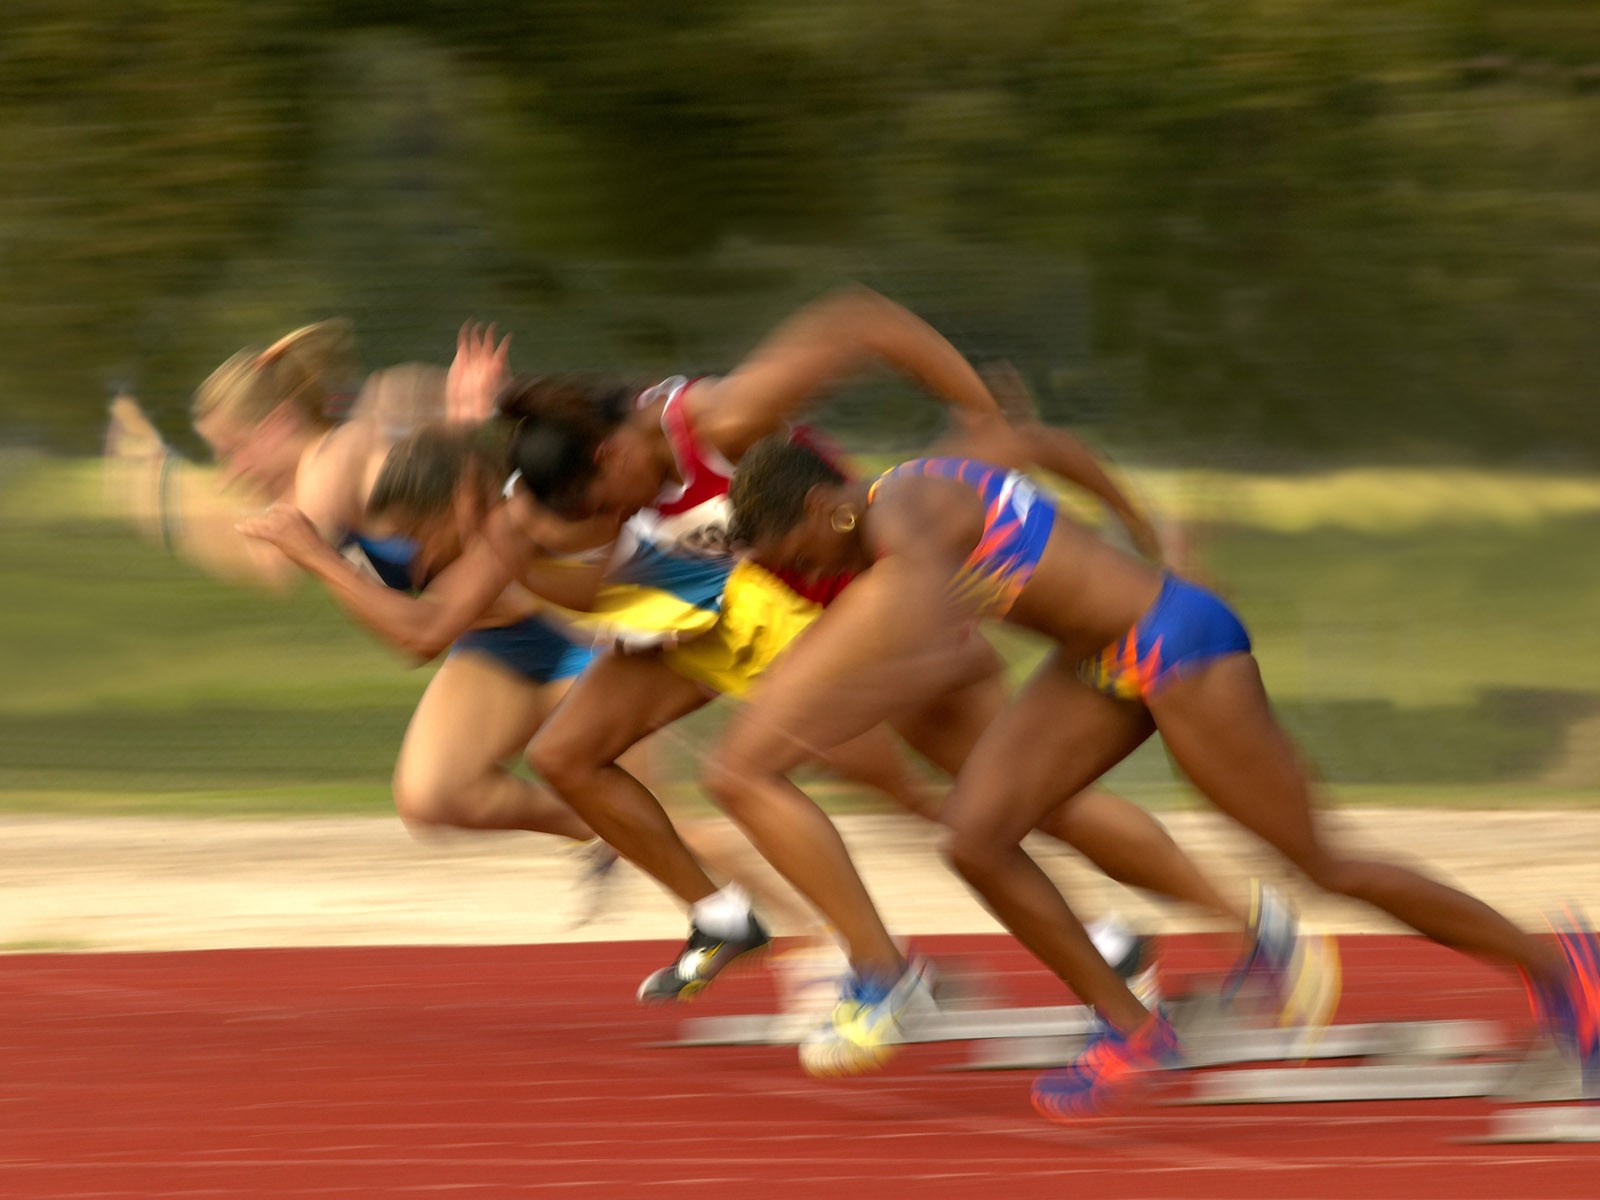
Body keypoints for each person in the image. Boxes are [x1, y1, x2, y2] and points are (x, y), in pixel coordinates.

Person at [244, 289, 1257, 1035]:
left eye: (604, 506)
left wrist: (979, 412)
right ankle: (731, 915)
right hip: (717, 621)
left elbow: (861, 323)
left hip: (857, 594)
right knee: (572, 755)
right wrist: (321, 556)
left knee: (978, 790)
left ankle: (1220, 928)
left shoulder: (705, 421)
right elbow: (429, 631)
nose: (604, 522)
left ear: (614, 455)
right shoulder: (528, 498)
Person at [719, 431, 1600, 1114]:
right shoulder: (903, 501)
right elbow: (1021, 458)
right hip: (1098, 660)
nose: (805, 577)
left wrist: (797, 723)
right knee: (976, 837)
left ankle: (1566, 966)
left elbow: (908, 632)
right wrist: (1134, 521)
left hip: (1178, 646)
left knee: (1323, 862)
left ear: (825, 509)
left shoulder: (897, 513)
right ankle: (1136, 1028)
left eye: (797, 556)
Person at [103, 320, 599, 859]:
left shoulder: (331, 460)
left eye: (232, 450)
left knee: (667, 822)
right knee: (434, 795)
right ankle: (602, 827)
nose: (229, 473)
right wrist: (463, 419)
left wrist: (161, 496)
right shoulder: (330, 464)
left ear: (275, 427)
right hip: (503, 638)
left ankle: (633, 826)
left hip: (574, 620)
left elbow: (272, 566)